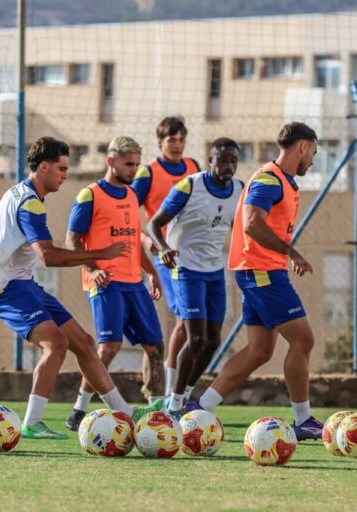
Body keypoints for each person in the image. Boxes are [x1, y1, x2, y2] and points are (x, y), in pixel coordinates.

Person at [0, 136, 162, 439]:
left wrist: (1, 263)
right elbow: (49, 256)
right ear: (42, 168)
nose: (65, 176)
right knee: (57, 344)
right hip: (8, 290)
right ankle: (31, 423)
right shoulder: (31, 205)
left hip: (23, 284)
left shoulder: (14, 193)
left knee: (84, 342)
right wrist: (99, 255)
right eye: (61, 169)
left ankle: (126, 414)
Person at [185, 122, 324, 441]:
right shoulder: (268, 179)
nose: (313, 161)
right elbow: (251, 224)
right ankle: (303, 421)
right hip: (262, 271)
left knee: (260, 350)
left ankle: (200, 409)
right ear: (302, 147)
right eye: (313, 152)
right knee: (303, 340)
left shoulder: (284, 182)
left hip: (259, 270)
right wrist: (292, 253)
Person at [63, 136, 165, 431]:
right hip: (105, 282)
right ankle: (80, 408)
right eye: (128, 164)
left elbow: (133, 242)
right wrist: (93, 269)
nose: (134, 170)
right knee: (109, 347)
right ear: (111, 161)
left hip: (134, 282)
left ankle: (156, 411)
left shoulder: (132, 196)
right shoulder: (90, 195)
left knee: (154, 346)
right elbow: (72, 240)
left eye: (136, 164)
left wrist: (151, 271)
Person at [147, 138, 244, 419]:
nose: (228, 166)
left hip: (214, 271)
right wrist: (164, 249)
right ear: (211, 160)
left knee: (213, 341)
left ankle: (186, 397)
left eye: (233, 161)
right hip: (186, 268)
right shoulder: (190, 186)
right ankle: (173, 405)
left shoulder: (239, 190)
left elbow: (240, 230)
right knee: (196, 338)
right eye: (223, 160)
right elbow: (154, 223)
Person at [131, 115, 200, 402]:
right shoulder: (148, 174)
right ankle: (173, 389)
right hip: (165, 254)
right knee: (184, 317)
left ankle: (177, 390)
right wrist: (148, 241)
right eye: (172, 140)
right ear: (160, 142)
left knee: (195, 321)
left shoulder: (194, 167)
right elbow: (124, 210)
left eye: (181, 139)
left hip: (194, 254)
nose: (177, 145)